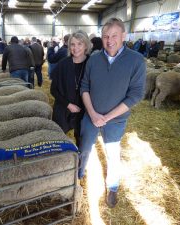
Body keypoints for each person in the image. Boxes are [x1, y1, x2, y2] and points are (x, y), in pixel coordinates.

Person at [78, 18, 146, 208]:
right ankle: (78, 177)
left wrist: (107, 117)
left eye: (114, 36)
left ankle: (113, 186)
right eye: (106, 36)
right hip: (91, 116)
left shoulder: (136, 60)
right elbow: (84, 87)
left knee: (113, 153)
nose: (109, 40)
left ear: (123, 36)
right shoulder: (93, 59)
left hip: (115, 120)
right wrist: (92, 113)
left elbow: (136, 94)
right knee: (84, 149)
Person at [50, 30, 91, 146]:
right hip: (63, 109)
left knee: (82, 143)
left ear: (86, 45)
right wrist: (68, 104)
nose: (76, 48)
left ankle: (79, 162)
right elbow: (53, 89)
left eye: (80, 44)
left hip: (84, 111)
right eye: (72, 44)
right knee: (57, 140)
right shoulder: (63, 64)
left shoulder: (92, 63)